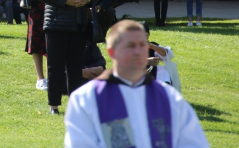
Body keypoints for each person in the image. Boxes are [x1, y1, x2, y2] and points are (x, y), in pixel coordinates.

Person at [64, 20, 209, 148]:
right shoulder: (86, 99)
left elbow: (192, 142)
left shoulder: (169, 97)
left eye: (142, 45)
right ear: (112, 52)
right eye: (130, 45)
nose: (138, 51)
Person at [38, 0, 99, 115]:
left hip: (79, 24)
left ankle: (75, 104)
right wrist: (67, 1)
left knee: (75, 67)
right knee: (55, 66)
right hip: (56, 24)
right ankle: (54, 105)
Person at [140, 21, 181, 91]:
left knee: (163, 70)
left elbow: (168, 55)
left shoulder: (152, 46)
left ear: (148, 35)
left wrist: (151, 46)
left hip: (150, 75)